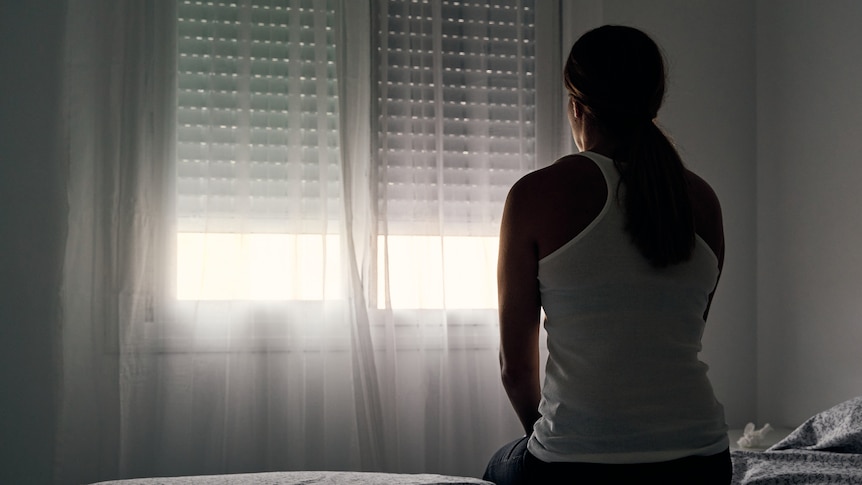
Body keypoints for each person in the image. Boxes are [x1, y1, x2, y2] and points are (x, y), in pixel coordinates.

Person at [483, 25, 730, 484]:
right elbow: (674, 336)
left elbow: (515, 369)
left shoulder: (535, 195)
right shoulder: (702, 200)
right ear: (653, 103)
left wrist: (556, 441)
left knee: (496, 469)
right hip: (704, 461)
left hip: (577, 467)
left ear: (576, 105)